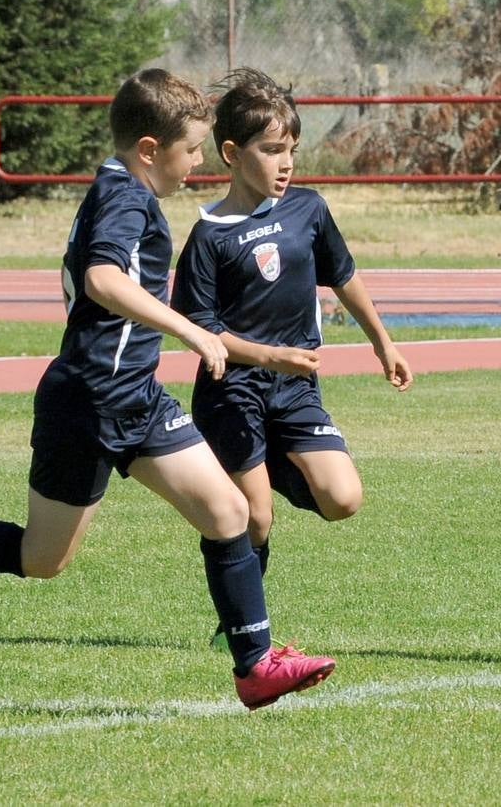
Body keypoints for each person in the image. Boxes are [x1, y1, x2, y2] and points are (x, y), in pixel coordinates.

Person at [0, 68, 335, 710]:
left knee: (230, 512)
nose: (196, 166)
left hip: (135, 398)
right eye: (190, 152)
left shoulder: (124, 189)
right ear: (150, 149)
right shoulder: (126, 198)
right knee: (41, 559)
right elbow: (102, 279)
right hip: (87, 401)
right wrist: (192, 331)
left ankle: (255, 666)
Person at [171, 68, 410, 620]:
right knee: (254, 520)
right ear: (231, 153)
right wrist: (268, 355)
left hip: (295, 387)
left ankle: (268, 467)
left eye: (292, 150)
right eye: (272, 149)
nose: (287, 163)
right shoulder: (209, 235)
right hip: (232, 391)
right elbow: (201, 332)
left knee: (343, 499)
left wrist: (383, 344)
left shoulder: (309, 209)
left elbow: (344, 276)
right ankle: (241, 624)